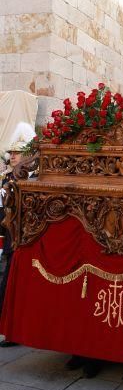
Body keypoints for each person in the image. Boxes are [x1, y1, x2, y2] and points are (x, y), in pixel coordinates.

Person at [0, 123, 36, 347]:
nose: (13, 156)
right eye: (11, 153)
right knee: (6, 283)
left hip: (27, 238)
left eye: (17, 152)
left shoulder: (34, 178)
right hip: (9, 237)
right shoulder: (6, 177)